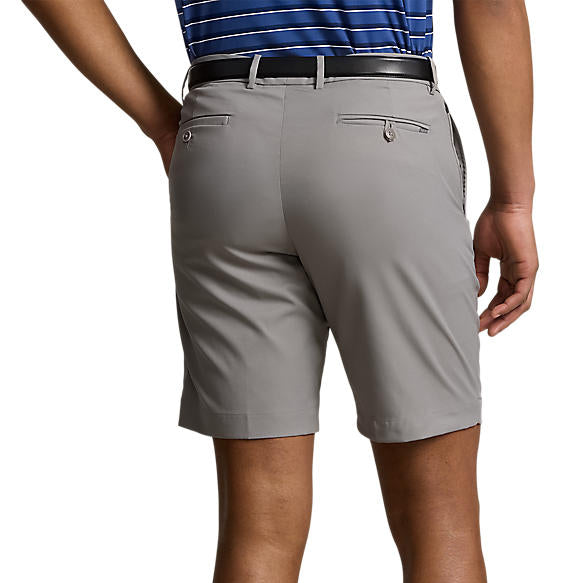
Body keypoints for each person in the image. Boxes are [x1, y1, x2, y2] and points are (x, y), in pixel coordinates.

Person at [22, 1, 537, 581]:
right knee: (441, 520)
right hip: (380, 128)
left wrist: (163, 123)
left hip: (222, 136)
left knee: (258, 531)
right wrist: (513, 201)